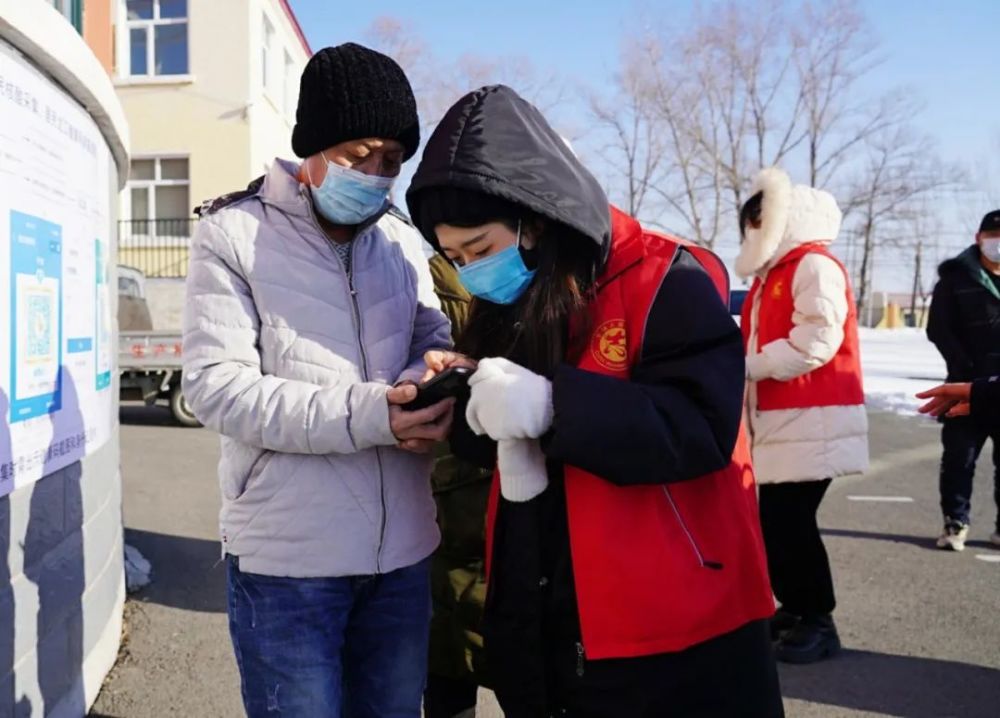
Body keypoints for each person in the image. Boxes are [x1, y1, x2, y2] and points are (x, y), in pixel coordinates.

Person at [407, 84, 782, 718]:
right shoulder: (510, 299)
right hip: (545, 614)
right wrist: (465, 398)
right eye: (453, 258)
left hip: (670, 630)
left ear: (536, 218)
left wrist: (552, 405)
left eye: (479, 250)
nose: (470, 271)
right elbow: (503, 442)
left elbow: (699, 427)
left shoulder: (671, 277)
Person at [182, 43, 453, 717]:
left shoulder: (397, 241)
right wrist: (373, 414)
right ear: (315, 145)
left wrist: (429, 382)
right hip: (289, 565)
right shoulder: (234, 234)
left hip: (402, 556)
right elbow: (216, 387)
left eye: (393, 161)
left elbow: (432, 336)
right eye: (362, 154)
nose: (377, 174)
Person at [736, 167, 869, 664]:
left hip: (814, 417)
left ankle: (819, 619)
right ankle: (797, 608)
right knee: (779, 523)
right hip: (785, 420)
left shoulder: (814, 265)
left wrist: (746, 366)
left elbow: (816, 343)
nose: (753, 230)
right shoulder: (775, 272)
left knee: (790, 523)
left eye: (760, 218)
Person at [926, 208, 1000, 551]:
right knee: (960, 458)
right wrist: (965, 366)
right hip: (964, 385)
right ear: (979, 238)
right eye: (994, 237)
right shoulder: (956, 279)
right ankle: (955, 521)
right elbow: (938, 329)